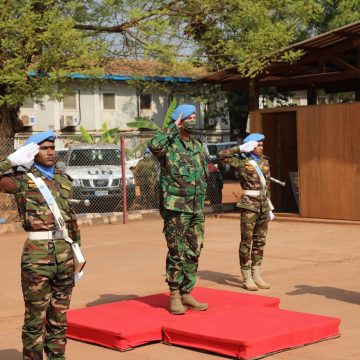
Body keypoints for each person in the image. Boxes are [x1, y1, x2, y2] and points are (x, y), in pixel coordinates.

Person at [0, 130, 81, 359]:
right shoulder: (22, 180)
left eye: (52, 148)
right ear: (32, 152)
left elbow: (70, 219)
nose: (50, 152)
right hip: (37, 258)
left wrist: (78, 255)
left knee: (59, 318)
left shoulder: (64, 179)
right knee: (35, 318)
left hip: (65, 256)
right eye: (44, 148)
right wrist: (11, 160)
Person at [148, 104, 209, 315]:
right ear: (180, 121)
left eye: (194, 116)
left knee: (194, 250)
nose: (193, 120)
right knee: (177, 251)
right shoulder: (169, 144)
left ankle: (187, 293)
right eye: (188, 117)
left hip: (196, 207)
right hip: (176, 207)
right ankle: (174, 294)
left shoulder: (197, 145)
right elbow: (153, 145)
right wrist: (171, 128)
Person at [218, 133, 273, 291]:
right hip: (249, 205)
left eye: (262, 145)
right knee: (246, 242)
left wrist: (269, 205)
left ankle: (257, 274)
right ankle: (247, 276)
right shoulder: (240, 161)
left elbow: (266, 185)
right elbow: (221, 155)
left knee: (260, 242)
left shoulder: (265, 161)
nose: (261, 148)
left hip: (263, 205)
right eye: (258, 145)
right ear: (250, 147)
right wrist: (239, 148)